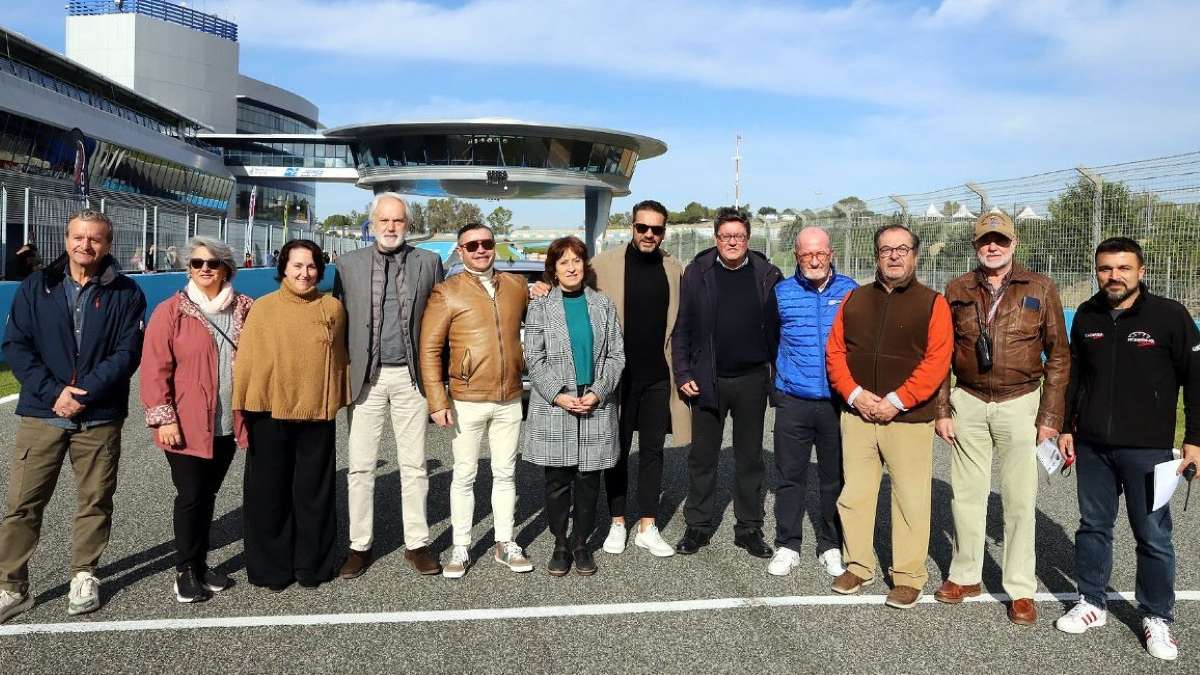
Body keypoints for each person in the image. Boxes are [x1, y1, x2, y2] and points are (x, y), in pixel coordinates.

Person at [1055, 237, 1199, 661]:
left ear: (1141, 271)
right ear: (1096, 271)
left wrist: (1194, 440)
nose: (1113, 276)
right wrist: (1067, 428)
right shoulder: (1086, 314)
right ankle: (1092, 603)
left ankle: (1157, 616)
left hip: (1149, 449)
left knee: (1153, 535)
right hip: (1094, 446)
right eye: (1105, 269)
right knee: (1093, 526)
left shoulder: (1170, 316)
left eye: (1123, 268)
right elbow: (1075, 376)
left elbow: (1195, 381)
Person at [0, 209, 146, 624]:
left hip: (98, 414)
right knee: (22, 504)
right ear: (66, 240)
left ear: (108, 244)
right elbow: (17, 346)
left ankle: (84, 575)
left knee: (94, 500)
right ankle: (12, 586)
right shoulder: (35, 286)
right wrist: (54, 394)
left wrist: (82, 393)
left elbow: (126, 354)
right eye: (78, 237)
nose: (86, 245)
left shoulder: (127, 292)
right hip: (42, 413)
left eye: (95, 239)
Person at [932, 212, 1070, 624]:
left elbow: (1059, 356)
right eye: (985, 241)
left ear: (1014, 243)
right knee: (967, 495)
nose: (993, 247)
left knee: (1019, 499)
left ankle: (1020, 588)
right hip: (969, 400)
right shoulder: (957, 288)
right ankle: (965, 574)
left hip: (1021, 402)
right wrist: (942, 408)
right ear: (975, 245)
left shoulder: (1041, 288)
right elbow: (942, 353)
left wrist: (1050, 415)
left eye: (1000, 240)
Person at [825, 224, 952, 609]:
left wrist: (896, 401)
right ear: (876, 255)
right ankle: (858, 564)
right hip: (859, 416)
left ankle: (908, 575)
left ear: (914, 254)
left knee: (911, 499)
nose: (894, 256)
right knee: (856, 495)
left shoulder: (934, 303)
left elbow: (937, 361)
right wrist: (857, 395)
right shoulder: (854, 299)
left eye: (902, 249)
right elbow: (835, 354)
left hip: (908, 419)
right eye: (886, 249)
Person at [332, 192, 445, 578]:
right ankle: (359, 546)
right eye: (384, 221)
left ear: (407, 225)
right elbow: (336, 321)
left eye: (398, 221)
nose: (391, 227)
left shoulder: (428, 263)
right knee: (360, 468)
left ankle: (417, 544)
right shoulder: (347, 265)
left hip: (410, 378)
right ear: (372, 224)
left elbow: (439, 320)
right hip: (365, 378)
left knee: (414, 465)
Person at [140, 237, 254, 603]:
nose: (205, 268)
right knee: (190, 495)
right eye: (197, 263)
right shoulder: (170, 311)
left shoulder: (246, 309)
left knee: (208, 494)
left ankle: (201, 565)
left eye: (213, 263)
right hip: (185, 424)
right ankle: (185, 570)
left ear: (226, 269)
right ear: (189, 268)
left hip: (227, 422)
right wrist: (163, 418)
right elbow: (155, 368)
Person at [233, 239, 349, 591]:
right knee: (269, 493)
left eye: (311, 266)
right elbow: (248, 364)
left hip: (316, 414)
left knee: (313, 493)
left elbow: (339, 361)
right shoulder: (264, 308)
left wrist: (335, 400)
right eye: (297, 265)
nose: (305, 272)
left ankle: (312, 565)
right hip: (269, 413)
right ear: (283, 267)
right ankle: (272, 568)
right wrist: (242, 411)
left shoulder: (332, 309)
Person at [419, 222, 533, 578]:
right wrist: (437, 400)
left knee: (505, 473)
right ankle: (461, 546)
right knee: (464, 475)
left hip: (510, 396)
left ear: (494, 246)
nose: (481, 250)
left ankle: (504, 542)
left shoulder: (517, 286)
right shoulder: (446, 292)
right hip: (467, 397)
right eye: (472, 246)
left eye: (486, 243)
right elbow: (430, 348)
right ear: (460, 249)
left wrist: (542, 288)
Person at [671, 207, 782, 558]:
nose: (732, 242)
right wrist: (684, 373)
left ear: (748, 239)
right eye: (725, 236)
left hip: (752, 380)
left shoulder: (767, 274)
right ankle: (698, 526)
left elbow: (780, 331)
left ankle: (748, 528)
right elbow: (682, 328)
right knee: (703, 458)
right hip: (708, 380)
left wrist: (777, 376)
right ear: (716, 239)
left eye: (738, 236)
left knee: (750, 459)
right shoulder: (697, 272)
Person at [592, 199, 690, 558]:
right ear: (631, 227)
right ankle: (618, 521)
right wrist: (540, 288)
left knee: (652, 452)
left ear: (664, 232)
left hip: (657, 378)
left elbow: (682, 323)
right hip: (616, 377)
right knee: (614, 452)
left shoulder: (674, 268)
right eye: (642, 227)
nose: (649, 234)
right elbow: (567, 288)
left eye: (657, 229)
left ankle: (648, 525)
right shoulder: (602, 265)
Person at [523, 236, 625, 576]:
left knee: (588, 479)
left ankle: (581, 542)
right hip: (557, 403)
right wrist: (558, 393)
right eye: (563, 261)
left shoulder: (603, 304)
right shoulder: (539, 306)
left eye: (577, 261)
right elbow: (533, 358)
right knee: (557, 480)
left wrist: (598, 391)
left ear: (585, 266)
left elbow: (615, 355)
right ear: (553, 269)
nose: (571, 267)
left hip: (595, 399)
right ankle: (560, 543)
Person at [765, 227, 857, 578]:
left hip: (836, 402)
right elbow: (770, 341)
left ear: (831, 253)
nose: (814, 260)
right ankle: (788, 544)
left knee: (834, 478)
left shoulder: (850, 292)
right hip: (793, 400)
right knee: (790, 477)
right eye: (806, 255)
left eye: (820, 253)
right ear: (796, 256)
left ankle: (831, 544)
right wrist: (779, 387)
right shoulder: (781, 294)